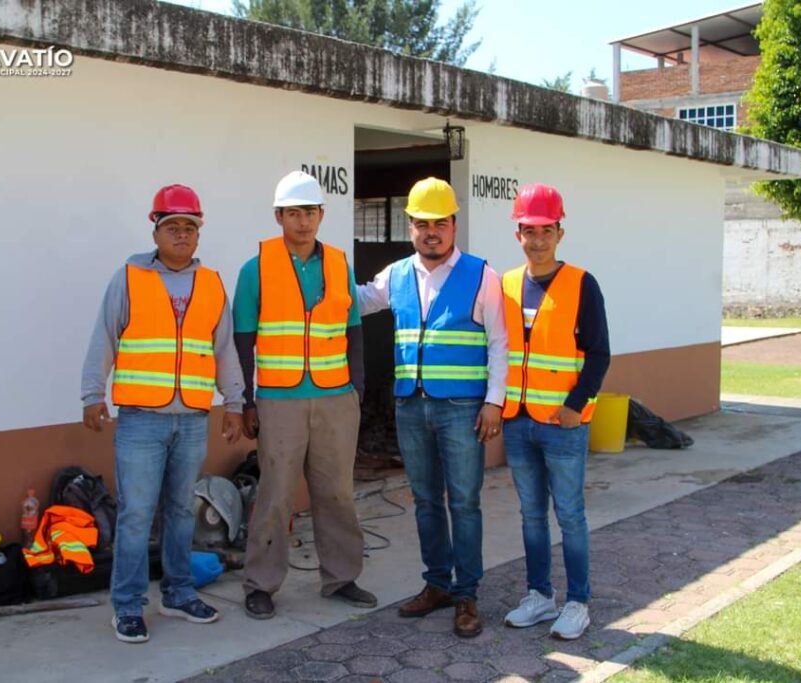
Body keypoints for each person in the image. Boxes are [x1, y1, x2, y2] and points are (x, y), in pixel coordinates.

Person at [81, 184, 244, 644]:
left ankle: (178, 593)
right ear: (156, 231)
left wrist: (234, 403)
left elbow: (224, 349)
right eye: (172, 226)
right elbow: (104, 336)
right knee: (136, 515)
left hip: (192, 418)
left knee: (181, 510)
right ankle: (128, 606)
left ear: (198, 233)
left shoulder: (211, 283)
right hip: (141, 420)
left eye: (189, 227)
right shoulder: (129, 278)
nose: (181, 234)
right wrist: (92, 394)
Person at [356, 177, 508, 638]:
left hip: (462, 408)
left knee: (464, 502)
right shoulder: (397, 274)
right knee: (425, 501)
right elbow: (357, 301)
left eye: (440, 223)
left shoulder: (481, 275)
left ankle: (467, 595)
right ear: (411, 227)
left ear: (454, 225)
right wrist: (314, 275)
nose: (431, 232)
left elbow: (499, 342)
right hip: (411, 407)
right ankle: (437, 584)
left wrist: (494, 401)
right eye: (422, 224)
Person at [235, 170, 376, 619]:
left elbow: (353, 330)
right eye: (293, 213)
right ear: (278, 216)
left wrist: (357, 387)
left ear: (321, 215)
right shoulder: (255, 269)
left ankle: (341, 577)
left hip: (336, 398)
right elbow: (243, 339)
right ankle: (261, 584)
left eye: (310, 212)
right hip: (279, 400)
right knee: (275, 495)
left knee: (337, 493)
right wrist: (246, 400)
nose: (303, 221)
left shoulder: (338, 264)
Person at [500, 183, 610, 641]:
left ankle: (577, 602)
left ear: (560, 233)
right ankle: (539, 596)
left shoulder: (582, 283)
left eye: (546, 231)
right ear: (518, 235)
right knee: (531, 514)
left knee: (569, 515)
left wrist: (574, 407)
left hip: (563, 424)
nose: (538, 240)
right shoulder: (506, 285)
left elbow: (599, 354)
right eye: (529, 231)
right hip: (518, 421)